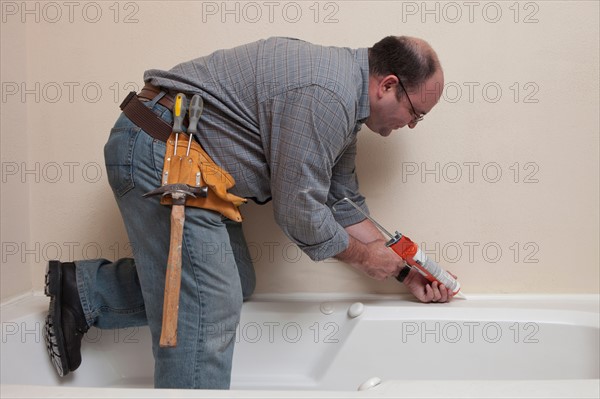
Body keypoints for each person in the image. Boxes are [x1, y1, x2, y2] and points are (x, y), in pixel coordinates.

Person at [43, 36, 452, 389]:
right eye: (416, 113)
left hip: (191, 166)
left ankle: (84, 291)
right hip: (159, 149)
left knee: (235, 279)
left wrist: (404, 270)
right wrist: (365, 258)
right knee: (211, 302)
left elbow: (341, 201)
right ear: (388, 85)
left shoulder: (343, 106)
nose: (413, 124)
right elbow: (299, 211)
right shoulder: (327, 95)